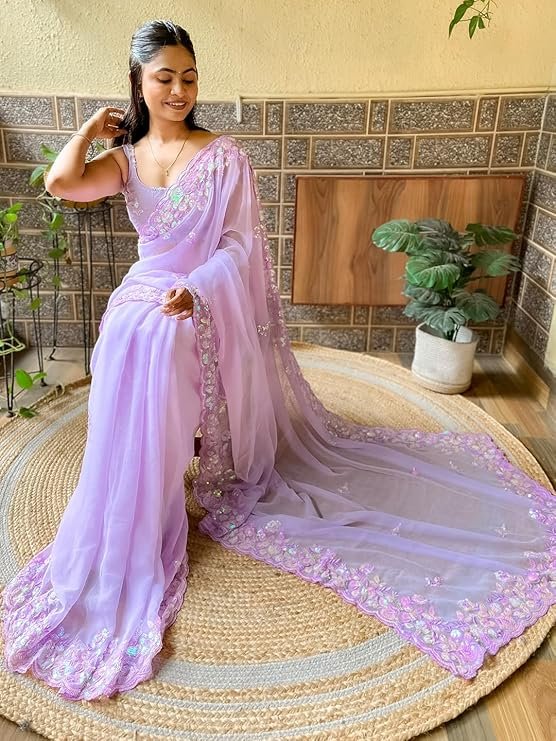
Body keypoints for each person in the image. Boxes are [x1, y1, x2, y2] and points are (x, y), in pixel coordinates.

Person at [2, 19, 555, 703]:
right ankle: (135, 488)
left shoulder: (222, 156)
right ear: (138, 84)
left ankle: (162, 480)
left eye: (189, 77)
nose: (179, 90)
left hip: (201, 297)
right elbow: (62, 183)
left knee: (165, 340)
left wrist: (199, 289)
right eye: (164, 77)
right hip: (146, 291)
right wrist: (92, 127)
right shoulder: (124, 159)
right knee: (124, 332)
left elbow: (239, 249)